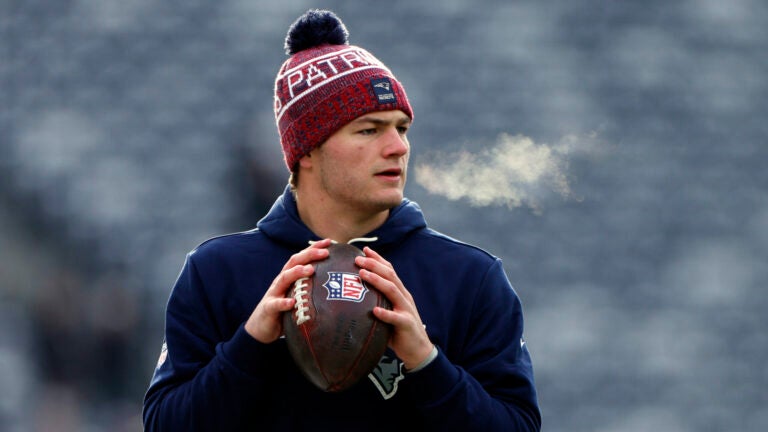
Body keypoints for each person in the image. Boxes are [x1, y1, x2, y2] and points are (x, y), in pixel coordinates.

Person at [142, 9, 541, 431]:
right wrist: (249, 346)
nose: (397, 148)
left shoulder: (470, 278)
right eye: (369, 130)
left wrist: (427, 362)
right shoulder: (217, 270)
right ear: (307, 151)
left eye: (401, 128)